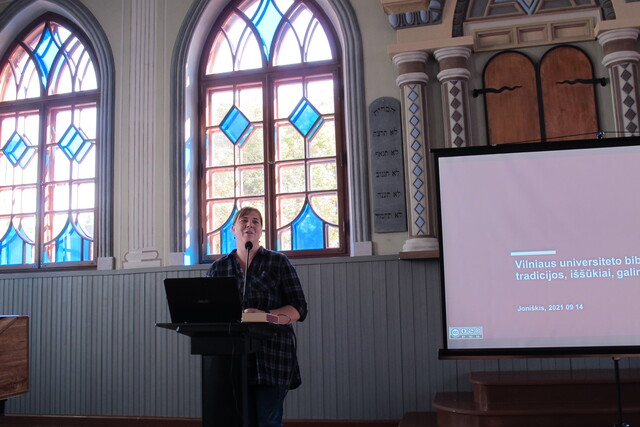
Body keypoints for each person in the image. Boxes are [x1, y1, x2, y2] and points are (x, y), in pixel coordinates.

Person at [206, 206, 308, 427]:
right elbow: (209, 313)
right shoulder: (218, 268)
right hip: (231, 360)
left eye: (256, 221)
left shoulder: (278, 262)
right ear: (233, 229)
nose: (249, 225)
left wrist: (266, 316)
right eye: (244, 220)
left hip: (271, 357)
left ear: (261, 230)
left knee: (267, 423)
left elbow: (299, 308)